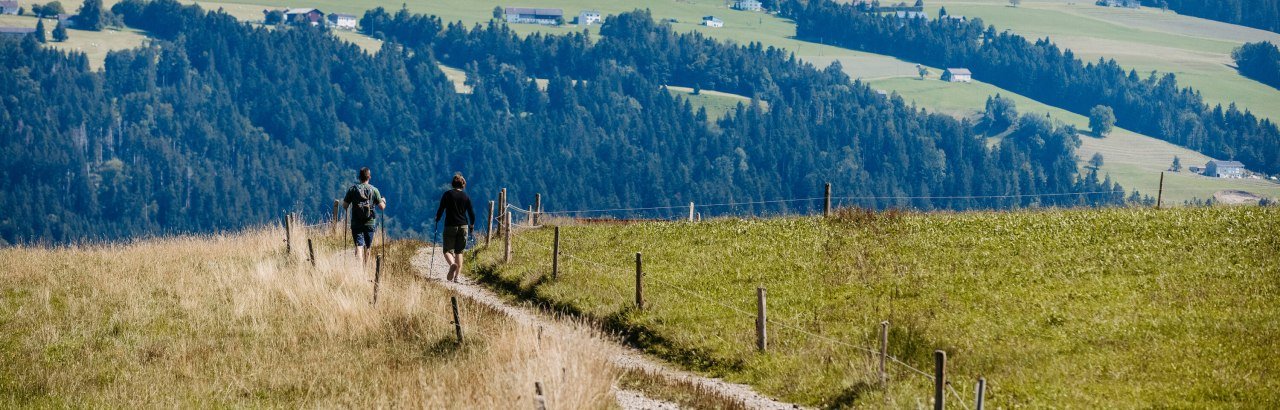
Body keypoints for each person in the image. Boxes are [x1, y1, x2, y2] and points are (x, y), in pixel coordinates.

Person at [435, 174, 476, 282]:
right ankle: (457, 277)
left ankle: (452, 264)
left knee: (447, 250)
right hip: (463, 225)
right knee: (459, 252)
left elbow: (441, 209)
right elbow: (471, 213)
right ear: (463, 185)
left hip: (450, 225)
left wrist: (437, 218)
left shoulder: (447, 195)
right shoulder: (466, 197)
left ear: (453, 184)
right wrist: (471, 225)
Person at [343, 167, 386, 264]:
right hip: (369, 223)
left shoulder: (352, 189)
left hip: (356, 223)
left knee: (359, 245)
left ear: (359, 177)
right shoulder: (374, 190)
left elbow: (345, 205)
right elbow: (382, 207)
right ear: (369, 177)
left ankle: (358, 269)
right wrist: (383, 200)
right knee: (368, 246)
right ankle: (365, 270)